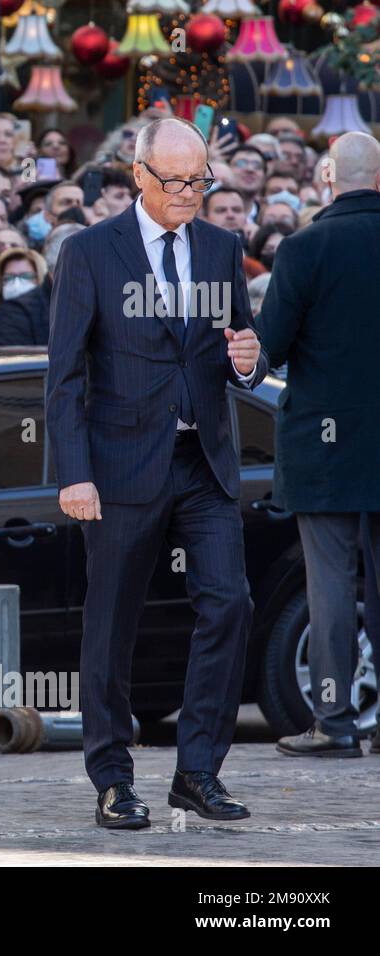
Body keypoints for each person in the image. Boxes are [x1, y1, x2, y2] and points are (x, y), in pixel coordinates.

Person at [45, 118, 268, 829]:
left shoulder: (223, 246)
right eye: (174, 181)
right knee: (110, 626)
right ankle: (112, 777)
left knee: (231, 604)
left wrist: (248, 361)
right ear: (137, 174)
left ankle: (197, 771)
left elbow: (241, 352)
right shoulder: (88, 253)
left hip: (202, 461)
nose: (189, 194)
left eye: (199, 180)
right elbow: (64, 377)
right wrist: (73, 473)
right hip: (116, 470)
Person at [259, 131, 380, 758]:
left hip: (326, 444)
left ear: (328, 177)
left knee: (330, 584)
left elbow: (270, 345)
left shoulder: (306, 247)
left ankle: (333, 721)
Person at [0, 223, 83, 346]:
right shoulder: (16, 312)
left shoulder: (108, 301)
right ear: (53, 271)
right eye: (9, 277)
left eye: (26, 276)